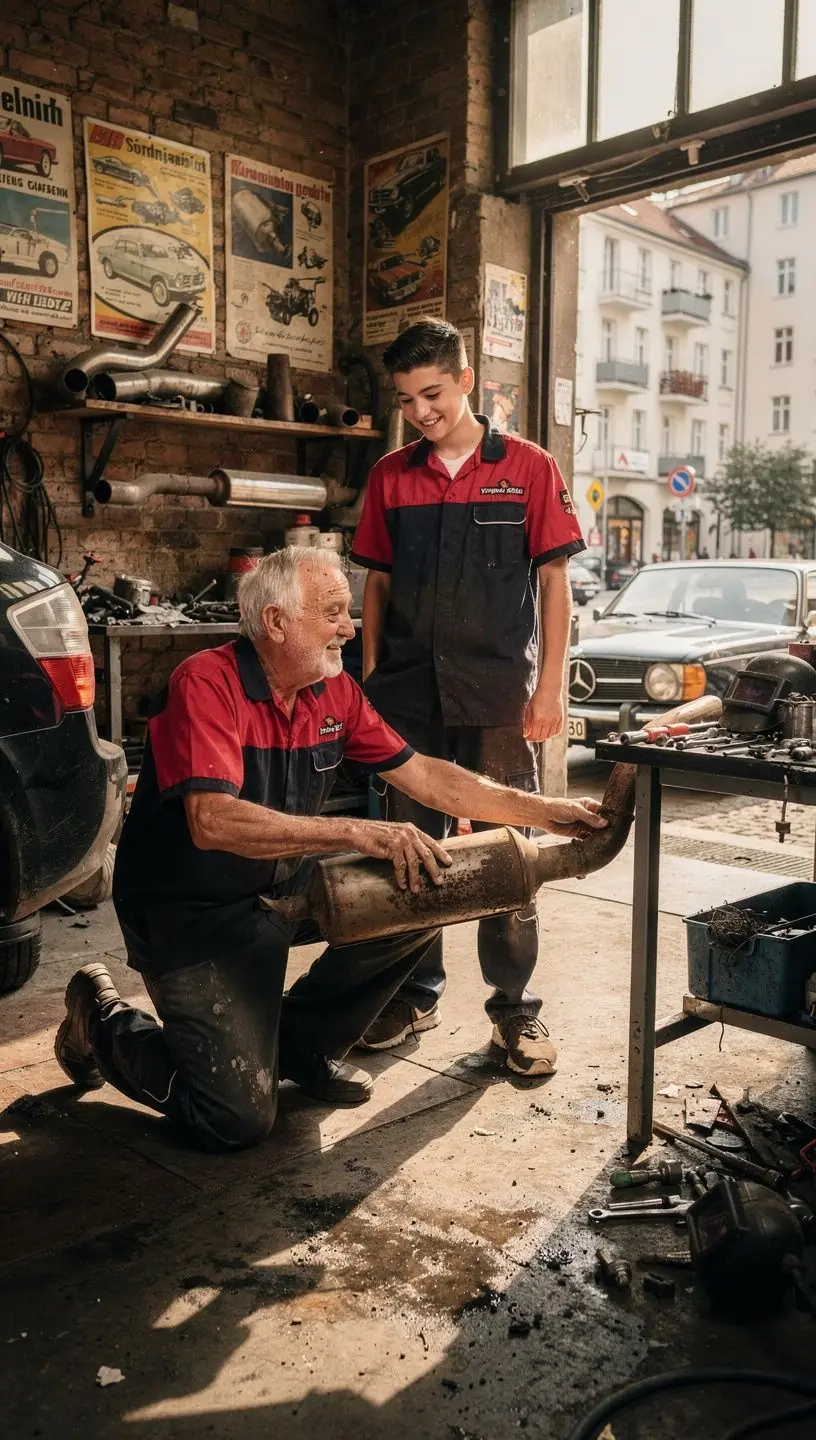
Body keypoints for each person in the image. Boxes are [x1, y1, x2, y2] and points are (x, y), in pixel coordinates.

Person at [54, 549, 604, 1153]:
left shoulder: (331, 691)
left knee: (429, 883)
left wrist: (546, 811)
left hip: (279, 883)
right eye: (334, 611)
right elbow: (211, 821)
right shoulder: (206, 682)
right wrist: (350, 833)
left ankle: (300, 1045)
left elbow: (427, 777)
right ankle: (98, 1016)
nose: (349, 627)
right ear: (276, 622)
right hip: (189, 909)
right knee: (233, 1121)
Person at [350, 318, 586, 1076]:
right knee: (411, 854)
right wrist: (375, 671)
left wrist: (547, 686)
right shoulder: (391, 475)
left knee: (507, 854)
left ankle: (512, 1013)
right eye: (408, 399)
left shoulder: (528, 466)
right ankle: (412, 992)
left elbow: (553, 582)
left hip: (495, 698)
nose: (422, 410)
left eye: (434, 393)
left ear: (468, 380)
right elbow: (376, 583)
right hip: (407, 699)